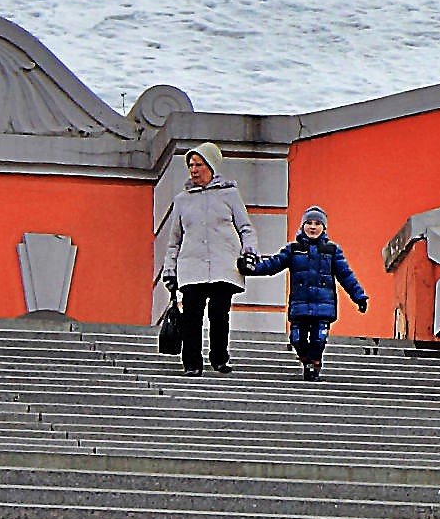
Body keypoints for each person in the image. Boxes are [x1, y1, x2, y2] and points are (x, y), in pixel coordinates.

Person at [154, 147, 255, 375]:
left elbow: (246, 228)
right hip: (192, 266)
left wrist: (249, 252)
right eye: (191, 165)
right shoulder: (182, 200)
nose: (193, 170)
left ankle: (219, 358)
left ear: (210, 166)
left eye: (199, 164)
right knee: (191, 315)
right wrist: (170, 269)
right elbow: (174, 240)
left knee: (219, 314)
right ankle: (191, 363)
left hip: (224, 264)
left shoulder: (229, 194)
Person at [245, 204, 370, 379]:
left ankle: (314, 362)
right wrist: (252, 268)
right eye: (309, 223)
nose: (313, 227)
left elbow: (346, 275)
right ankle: (306, 360)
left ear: (324, 228)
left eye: (317, 223)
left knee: (319, 338)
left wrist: (359, 297)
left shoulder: (332, 251)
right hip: (300, 305)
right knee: (297, 339)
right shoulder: (293, 249)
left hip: (323, 306)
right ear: (302, 226)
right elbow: (273, 264)